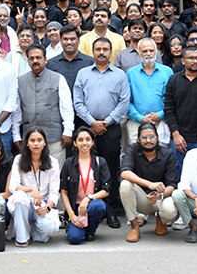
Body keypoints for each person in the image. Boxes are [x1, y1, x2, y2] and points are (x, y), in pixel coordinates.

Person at [72, 37, 130, 228]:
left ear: (111, 51)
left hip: (110, 128)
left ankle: (112, 211)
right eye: (98, 49)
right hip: (86, 128)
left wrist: (107, 122)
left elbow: (124, 102)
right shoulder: (83, 74)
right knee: (85, 169)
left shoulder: (120, 75)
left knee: (111, 170)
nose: (102, 52)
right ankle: (83, 209)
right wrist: (91, 122)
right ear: (93, 51)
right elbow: (78, 101)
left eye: (105, 49)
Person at [16, 44, 74, 164]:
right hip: (30, 138)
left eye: (38, 58)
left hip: (54, 137)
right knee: (31, 173)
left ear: (45, 60)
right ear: (27, 60)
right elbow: (17, 112)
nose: (35, 61)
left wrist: (68, 131)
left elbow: (67, 108)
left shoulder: (58, 78)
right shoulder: (20, 81)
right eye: (31, 58)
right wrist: (16, 135)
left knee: (55, 173)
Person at [7, 128, 62, 246]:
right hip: (23, 205)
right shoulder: (19, 159)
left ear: (45, 142)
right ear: (27, 143)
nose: (36, 144)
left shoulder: (53, 162)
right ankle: (22, 239)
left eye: (39, 140)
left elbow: (54, 192)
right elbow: (13, 186)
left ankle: (33, 229)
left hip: (42, 205)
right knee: (19, 196)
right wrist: (32, 189)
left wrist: (47, 208)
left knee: (50, 228)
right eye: (32, 140)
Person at [60, 128, 111, 244]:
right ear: (75, 143)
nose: (84, 143)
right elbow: (63, 191)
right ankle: (74, 227)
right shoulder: (69, 163)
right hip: (75, 208)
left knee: (98, 206)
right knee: (75, 239)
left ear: (92, 142)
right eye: (80, 140)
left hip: (91, 205)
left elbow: (106, 190)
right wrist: (71, 215)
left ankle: (90, 230)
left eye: (88, 139)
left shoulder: (100, 162)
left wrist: (88, 198)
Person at [125, 38, 172, 148]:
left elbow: (172, 99)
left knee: (162, 156)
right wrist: (140, 118)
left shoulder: (167, 71)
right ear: (138, 52)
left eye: (151, 50)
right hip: (137, 123)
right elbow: (127, 101)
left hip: (161, 122)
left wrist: (160, 115)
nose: (148, 54)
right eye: (145, 51)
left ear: (156, 51)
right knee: (136, 156)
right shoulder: (131, 73)